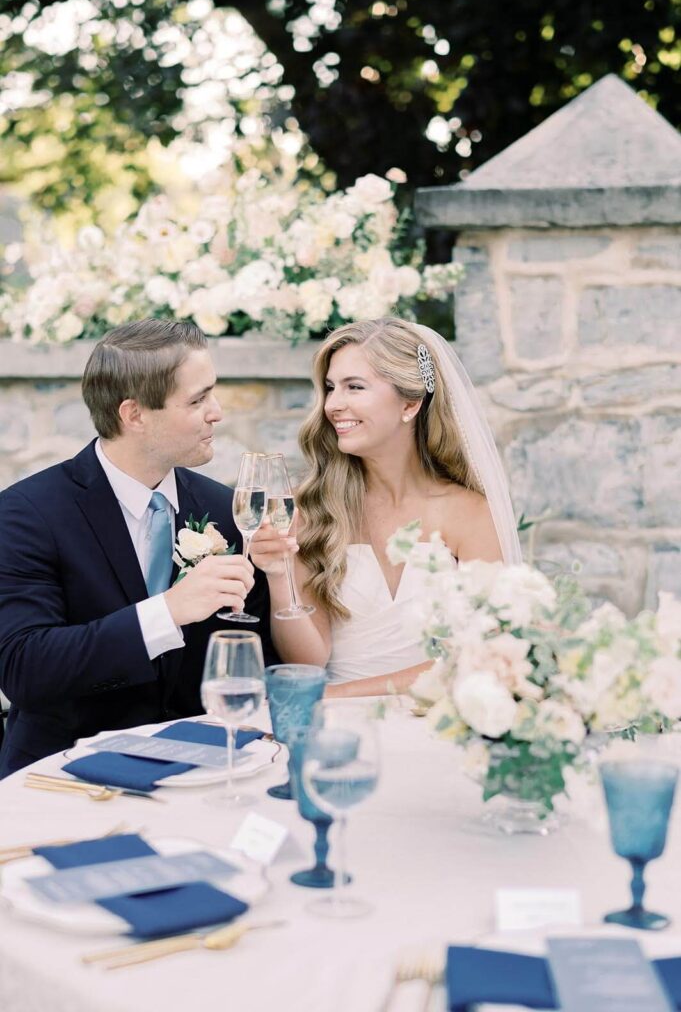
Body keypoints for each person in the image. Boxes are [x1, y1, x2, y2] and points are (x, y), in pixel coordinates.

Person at [0, 318, 277, 777]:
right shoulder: (26, 513)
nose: (218, 412)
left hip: (205, 772)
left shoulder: (226, 510)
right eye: (197, 399)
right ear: (134, 415)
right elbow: (25, 669)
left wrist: (283, 576)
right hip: (66, 776)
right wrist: (167, 612)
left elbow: (258, 658)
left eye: (213, 392)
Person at [251, 317, 521, 698]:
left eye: (354, 387)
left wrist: (337, 696)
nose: (333, 405)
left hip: (440, 723)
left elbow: (484, 654)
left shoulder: (470, 513)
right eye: (330, 388)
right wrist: (279, 578)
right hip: (337, 733)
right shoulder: (311, 509)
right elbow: (308, 662)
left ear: (410, 403)